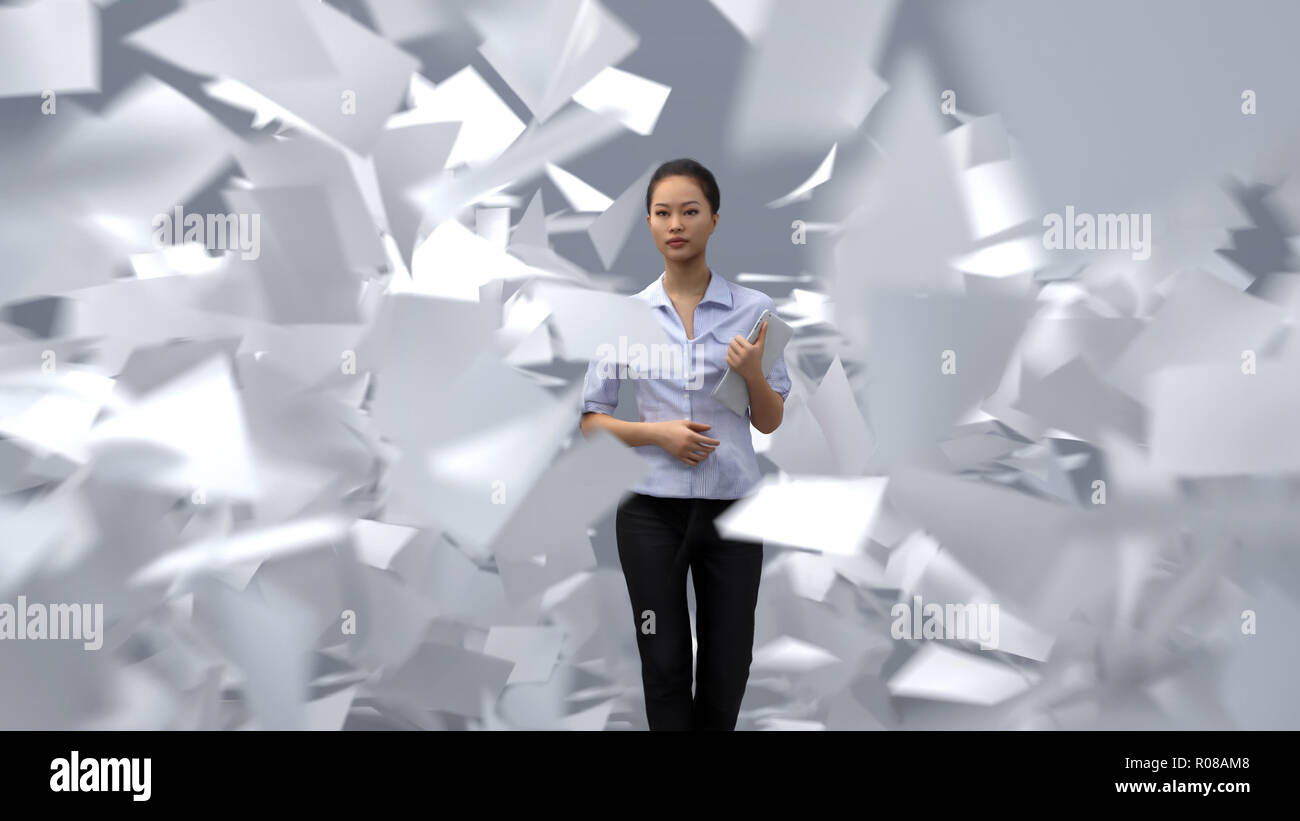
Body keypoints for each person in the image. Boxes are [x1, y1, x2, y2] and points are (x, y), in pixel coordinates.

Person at [578, 158, 791, 730]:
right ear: (649, 223)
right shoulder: (628, 316)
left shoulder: (755, 312)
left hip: (733, 513)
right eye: (662, 213)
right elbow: (592, 420)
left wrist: (752, 374)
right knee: (665, 661)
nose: (677, 224)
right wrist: (657, 435)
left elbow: (769, 422)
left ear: (714, 221)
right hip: (651, 515)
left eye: (690, 211)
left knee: (727, 665)